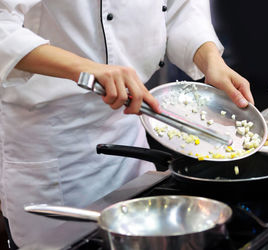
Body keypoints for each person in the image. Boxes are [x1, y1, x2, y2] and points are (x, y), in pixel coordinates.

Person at [0, 0, 253, 248]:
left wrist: (211, 61)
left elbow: (180, 7)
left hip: (130, 138)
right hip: (56, 148)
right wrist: (87, 69)